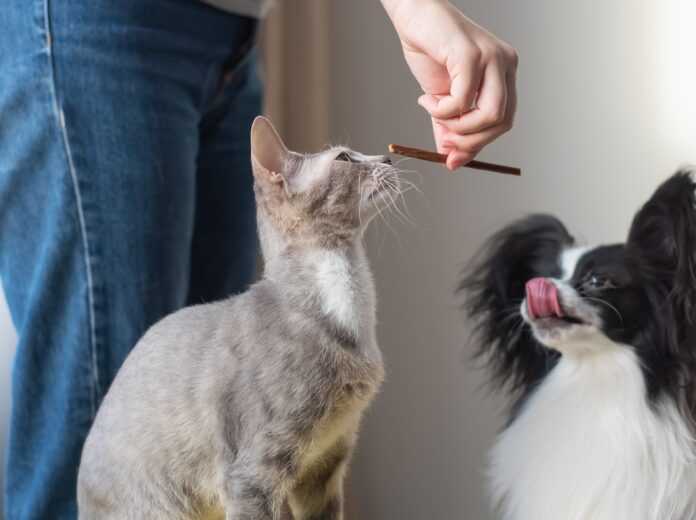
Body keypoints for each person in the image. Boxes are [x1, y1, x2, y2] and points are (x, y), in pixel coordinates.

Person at [0, 0, 517, 517]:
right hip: (96, 24)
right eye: (345, 160)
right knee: (80, 417)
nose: (378, 161)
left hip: (234, 32)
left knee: (243, 448)